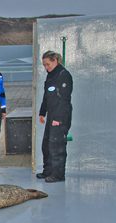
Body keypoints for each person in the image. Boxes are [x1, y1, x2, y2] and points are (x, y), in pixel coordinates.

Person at [37, 50, 73, 183]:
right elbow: (47, 96)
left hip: (60, 116)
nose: (46, 67)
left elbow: (63, 100)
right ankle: (48, 171)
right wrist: (42, 112)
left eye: (48, 64)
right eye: (44, 65)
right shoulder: (51, 76)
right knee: (46, 145)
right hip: (52, 115)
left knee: (56, 146)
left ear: (55, 60)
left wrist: (58, 119)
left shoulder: (64, 75)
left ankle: (58, 175)